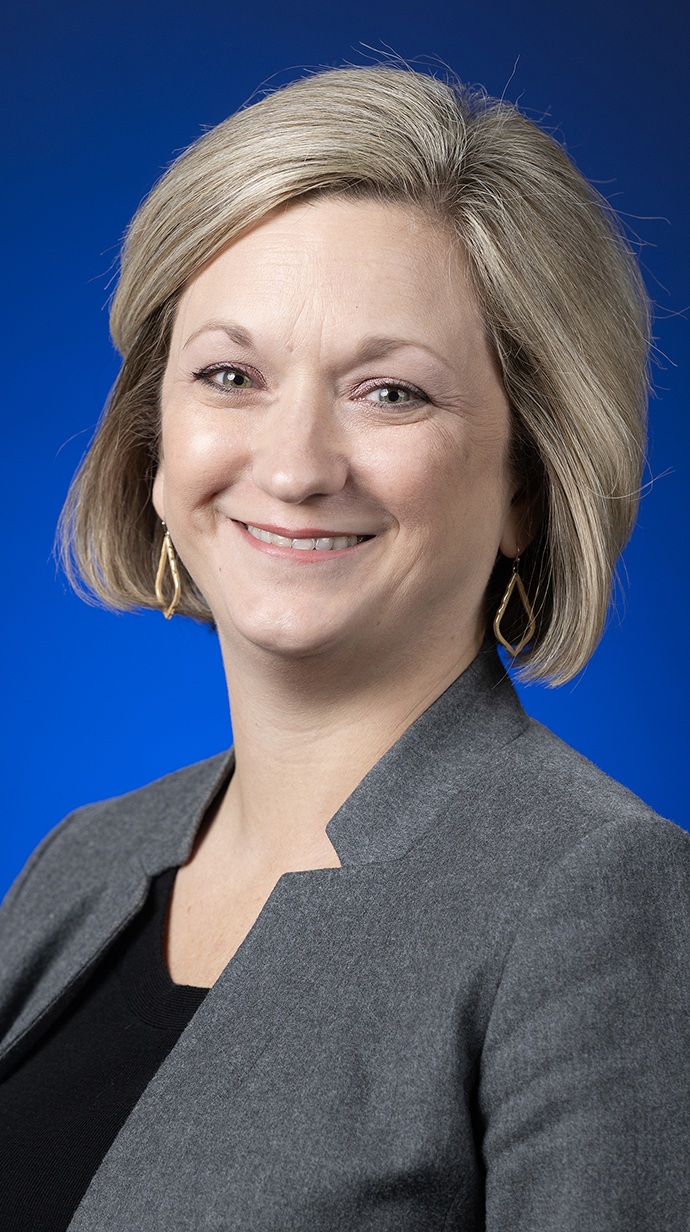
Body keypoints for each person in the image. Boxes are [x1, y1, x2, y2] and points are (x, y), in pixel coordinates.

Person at [1, 64, 688, 1231]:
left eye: (391, 393)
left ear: (530, 479)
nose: (297, 464)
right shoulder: (85, 859)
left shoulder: (596, 897)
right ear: (153, 440)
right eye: (231, 375)